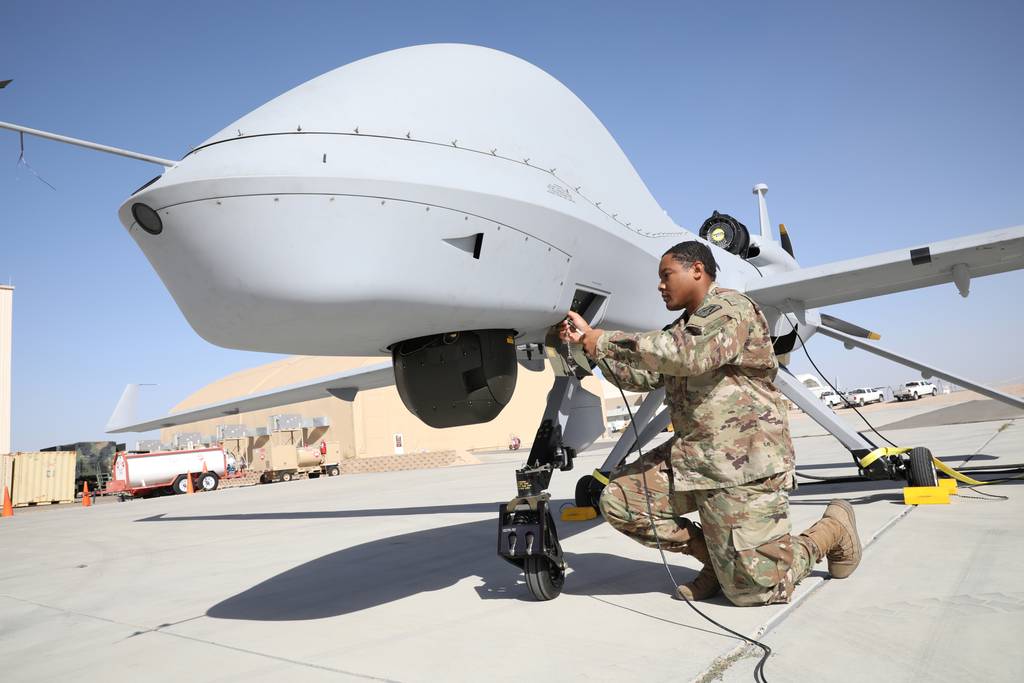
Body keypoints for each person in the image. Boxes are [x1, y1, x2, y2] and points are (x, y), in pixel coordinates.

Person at [559, 241, 861, 606]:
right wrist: (586, 347)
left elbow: (691, 356)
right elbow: (643, 378)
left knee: (758, 592)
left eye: (666, 275)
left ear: (697, 270)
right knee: (622, 502)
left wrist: (603, 340)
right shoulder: (683, 327)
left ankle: (829, 532)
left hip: (745, 463)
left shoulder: (730, 309)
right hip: (693, 458)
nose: (660, 285)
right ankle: (719, 564)